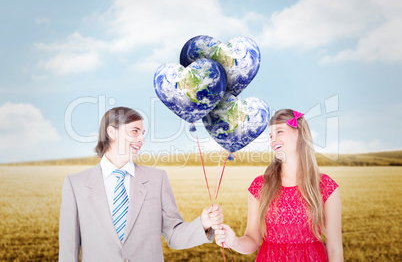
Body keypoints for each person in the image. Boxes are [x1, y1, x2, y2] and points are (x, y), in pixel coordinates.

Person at [59, 106, 223, 261]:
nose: (142, 139)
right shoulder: (76, 184)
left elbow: (173, 235)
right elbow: (68, 253)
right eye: (135, 131)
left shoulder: (157, 179)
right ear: (111, 132)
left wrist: (202, 223)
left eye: (143, 133)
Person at [214, 109, 343, 261]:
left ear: (300, 133)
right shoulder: (260, 186)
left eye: (279, 132)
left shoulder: (325, 186)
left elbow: (334, 248)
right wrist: (233, 241)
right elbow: (253, 240)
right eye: (271, 136)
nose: (273, 140)